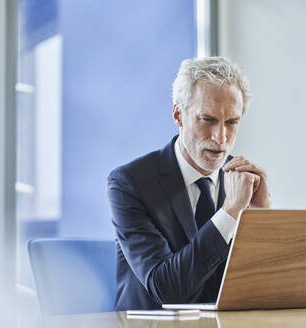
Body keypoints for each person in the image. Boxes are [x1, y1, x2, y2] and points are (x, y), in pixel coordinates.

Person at [107, 57, 271, 310]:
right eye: (207, 119)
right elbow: (166, 290)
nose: (220, 138)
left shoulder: (243, 181)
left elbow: (264, 286)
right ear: (178, 115)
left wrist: (263, 218)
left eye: (231, 122)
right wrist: (230, 213)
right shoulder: (130, 184)